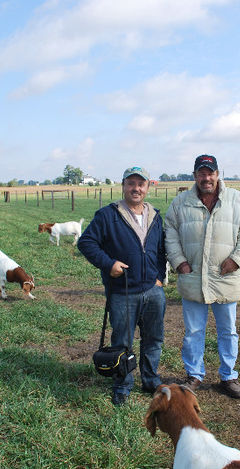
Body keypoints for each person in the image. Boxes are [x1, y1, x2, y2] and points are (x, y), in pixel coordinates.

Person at [165, 154, 240, 398]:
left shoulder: (237, 201)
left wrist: (237, 260)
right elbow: (170, 233)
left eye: (210, 173)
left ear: (218, 174)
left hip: (225, 278)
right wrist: (179, 262)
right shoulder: (180, 203)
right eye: (201, 173)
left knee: (228, 330)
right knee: (193, 331)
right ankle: (194, 375)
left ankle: (229, 377)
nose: (206, 178)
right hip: (193, 277)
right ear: (195, 175)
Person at [78, 166, 167, 406]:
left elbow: (161, 250)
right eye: (131, 183)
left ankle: (150, 379)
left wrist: (159, 277)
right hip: (123, 292)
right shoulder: (108, 215)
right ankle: (122, 385)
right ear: (123, 186)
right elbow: (86, 242)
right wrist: (109, 264)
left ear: (147, 187)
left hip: (153, 291)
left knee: (154, 339)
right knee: (122, 341)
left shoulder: (155, 216)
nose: (136, 188)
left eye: (141, 184)